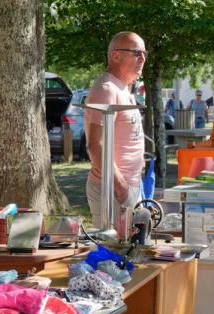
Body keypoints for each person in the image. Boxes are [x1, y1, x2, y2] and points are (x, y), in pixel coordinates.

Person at [84, 31, 146, 228]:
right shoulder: (107, 89)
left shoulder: (123, 89)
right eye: (136, 53)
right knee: (113, 254)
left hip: (127, 187)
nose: (142, 59)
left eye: (144, 53)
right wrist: (122, 189)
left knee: (131, 251)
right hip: (111, 189)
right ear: (115, 55)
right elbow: (96, 145)